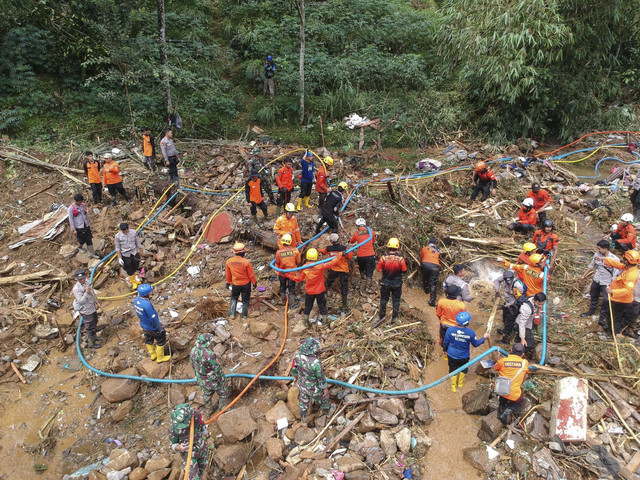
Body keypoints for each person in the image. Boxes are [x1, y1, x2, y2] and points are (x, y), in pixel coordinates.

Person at [595, 249, 640, 338]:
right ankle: (613, 330)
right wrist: (604, 259)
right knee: (613, 315)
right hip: (616, 298)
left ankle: (615, 333)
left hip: (621, 300)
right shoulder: (627, 267)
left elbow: (627, 290)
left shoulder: (632, 275)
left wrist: (613, 291)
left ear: (627, 260)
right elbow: (618, 265)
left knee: (616, 317)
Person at [292, 249, 342, 326]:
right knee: (322, 305)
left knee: (308, 306)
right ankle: (325, 322)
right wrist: (339, 254)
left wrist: (287, 275)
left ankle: (306, 322)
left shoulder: (305, 267)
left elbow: (299, 279)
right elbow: (332, 262)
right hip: (320, 291)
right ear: (316, 257)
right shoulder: (320, 265)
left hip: (309, 292)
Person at [443, 311, 489, 392]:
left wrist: (444, 350)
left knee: (452, 369)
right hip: (464, 356)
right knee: (463, 369)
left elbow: (445, 342)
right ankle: (460, 384)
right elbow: (476, 344)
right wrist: (484, 337)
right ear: (467, 323)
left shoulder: (450, 330)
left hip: (451, 354)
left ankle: (453, 387)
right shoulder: (471, 332)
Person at [291, 337, 333, 427]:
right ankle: (328, 413)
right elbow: (321, 378)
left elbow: (294, 369)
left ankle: (303, 421)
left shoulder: (297, 356)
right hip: (314, 388)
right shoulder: (316, 362)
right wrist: (325, 389)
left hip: (302, 385)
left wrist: (295, 378)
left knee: (303, 403)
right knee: (324, 399)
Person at [190, 333, 230, 417]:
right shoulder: (209, 354)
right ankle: (223, 408)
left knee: (206, 395)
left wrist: (198, 376)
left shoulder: (193, 350)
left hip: (202, 380)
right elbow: (217, 370)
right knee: (223, 393)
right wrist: (223, 381)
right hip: (213, 380)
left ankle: (208, 410)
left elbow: (192, 364)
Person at [579, 240, 619, 318]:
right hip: (597, 279)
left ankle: (603, 316)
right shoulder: (597, 255)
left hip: (606, 282)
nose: (599, 250)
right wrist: (583, 276)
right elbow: (591, 266)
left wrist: (612, 285)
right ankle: (591, 311)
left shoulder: (614, 259)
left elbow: (615, 274)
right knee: (593, 295)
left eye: (600, 249)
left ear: (606, 249)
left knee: (606, 299)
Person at [169, 404, 208, 480]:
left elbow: (202, 425)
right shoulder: (173, 428)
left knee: (203, 470)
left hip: (201, 448)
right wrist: (179, 447)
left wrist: (208, 437)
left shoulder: (196, 414)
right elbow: (173, 444)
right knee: (193, 478)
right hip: (188, 454)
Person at [134, 283, 171, 363]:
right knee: (161, 340)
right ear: (145, 294)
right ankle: (160, 357)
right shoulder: (147, 304)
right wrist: (159, 328)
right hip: (152, 327)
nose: (152, 293)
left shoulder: (136, 300)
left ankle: (153, 355)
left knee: (148, 340)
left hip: (144, 326)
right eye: (150, 293)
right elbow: (153, 318)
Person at [494, 343, 529, 425]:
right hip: (513, 393)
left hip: (500, 388)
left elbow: (496, 368)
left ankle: (501, 407)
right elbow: (526, 372)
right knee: (520, 400)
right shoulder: (524, 363)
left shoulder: (502, 361)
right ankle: (505, 413)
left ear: (511, 351)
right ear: (523, 354)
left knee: (504, 394)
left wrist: (498, 358)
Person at [319, 233, 354, 311]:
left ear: (331, 241)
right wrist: (350, 251)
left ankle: (321, 298)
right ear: (339, 240)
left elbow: (323, 251)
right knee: (344, 286)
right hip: (344, 270)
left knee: (328, 283)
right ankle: (345, 305)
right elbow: (350, 257)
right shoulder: (344, 248)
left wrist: (317, 250)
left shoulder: (328, 248)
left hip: (334, 269)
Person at [377, 238, 408, 324]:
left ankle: (381, 317)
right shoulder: (401, 260)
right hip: (397, 283)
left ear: (388, 246)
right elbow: (404, 271)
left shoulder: (383, 258)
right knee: (396, 300)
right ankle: (394, 319)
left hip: (385, 282)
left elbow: (378, 269)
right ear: (398, 247)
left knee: (383, 300)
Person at [225, 242, 257, 319]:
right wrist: (254, 282)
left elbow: (228, 274)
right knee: (245, 299)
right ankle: (244, 315)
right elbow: (251, 275)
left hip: (236, 284)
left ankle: (232, 314)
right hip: (246, 284)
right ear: (243, 252)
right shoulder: (246, 262)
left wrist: (228, 282)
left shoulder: (229, 261)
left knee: (234, 297)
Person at [72, 269, 101, 348]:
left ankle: (94, 337)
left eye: (83, 278)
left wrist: (97, 301)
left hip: (92, 306)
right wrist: (86, 292)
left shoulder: (87, 282)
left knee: (95, 321)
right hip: (86, 310)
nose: (83, 280)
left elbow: (92, 292)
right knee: (90, 326)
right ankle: (92, 343)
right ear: (77, 279)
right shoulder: (76, 289)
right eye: (80, 279)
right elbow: (81, 301)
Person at [436, 284, 466, 354]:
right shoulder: (461, 305)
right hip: (455, 326)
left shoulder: (441, 301)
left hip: (444, 325)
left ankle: (444, 353)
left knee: (444, 339)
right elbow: (464, 318)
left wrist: (442, 319)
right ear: (457, 295)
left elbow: (438, 314)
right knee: (454, 341)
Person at [349, 218, 376, 293]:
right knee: (369, 271)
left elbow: (351, 241)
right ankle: (367, 287)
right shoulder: (371, 231)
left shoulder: (356, 233)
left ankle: (362, 280)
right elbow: (373, 240)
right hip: (370, 255)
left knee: (362, 268)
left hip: (360, 256)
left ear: (357, 226)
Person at [115, 222, 144, 290]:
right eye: (124, 231)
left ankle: (135, 277)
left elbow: (137, 242)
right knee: (129, 268)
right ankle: (133, 281)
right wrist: (119, 258)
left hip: (133, 252)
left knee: (136, 264)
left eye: (126, 230)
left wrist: (141, 251)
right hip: (125, 254)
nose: (126, 232)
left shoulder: (133, 232)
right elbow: (117, 247)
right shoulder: (118, 236)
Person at [274, 233, 301, 307]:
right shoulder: (295, 251)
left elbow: (277, 263)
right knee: (291, 288)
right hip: (292, 273)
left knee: (282, 286)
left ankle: (283, 301)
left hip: (282, 273)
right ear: (290, 241)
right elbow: (298, 262)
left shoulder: (278, 252)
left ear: (282, 242)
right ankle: (292, 305)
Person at [68, 194, 98, 258]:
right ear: (75, 201)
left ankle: (91, 253)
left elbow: (85, 214)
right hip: (79, 227)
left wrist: (88, 224)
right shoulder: (71, 208)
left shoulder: (83, 205)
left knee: (89, 239)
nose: (80, 203)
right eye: (79, 202)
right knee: (81, 240)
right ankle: (79, 247)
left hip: (85, 225)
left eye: (81, 201)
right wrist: (73, 229)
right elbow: (71, 219)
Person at [495, 270, 518, 343]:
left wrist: (506, 305)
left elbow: (517, 299)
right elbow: (497, 280)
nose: (508, 283)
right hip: (507, 302)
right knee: (505, 318)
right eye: (507, 282)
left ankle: (506, 340)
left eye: (509, 282)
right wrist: (497, 291)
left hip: (514, 306)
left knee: (509, 322)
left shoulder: (517, 285)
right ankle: (504, 330)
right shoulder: (504, 277)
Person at [420, 238, 441, 307]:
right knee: (433, 283)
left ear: (428, 242)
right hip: (435, 266)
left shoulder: (424, 248)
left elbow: (421, 257)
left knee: (425, 277)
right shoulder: (437, 250)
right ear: (435, 244)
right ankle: (432, 300)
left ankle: (426, 289)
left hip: (425, 264)